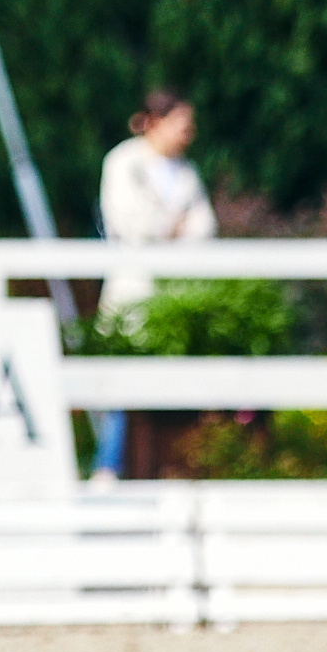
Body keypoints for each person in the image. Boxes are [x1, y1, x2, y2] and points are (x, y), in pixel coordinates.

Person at [90, 89, 215, 483]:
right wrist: (170, 228)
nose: (188, 134)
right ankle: (108, 466)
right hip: (133, 290)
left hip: (178, 295)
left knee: (174, 382)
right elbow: (130, 223)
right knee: (123, 386)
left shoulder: (186, 171)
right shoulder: (124, 163)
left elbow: (204, 229)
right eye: (182, 124)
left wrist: (167, 231)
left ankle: (167, 471)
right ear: (156, 122)